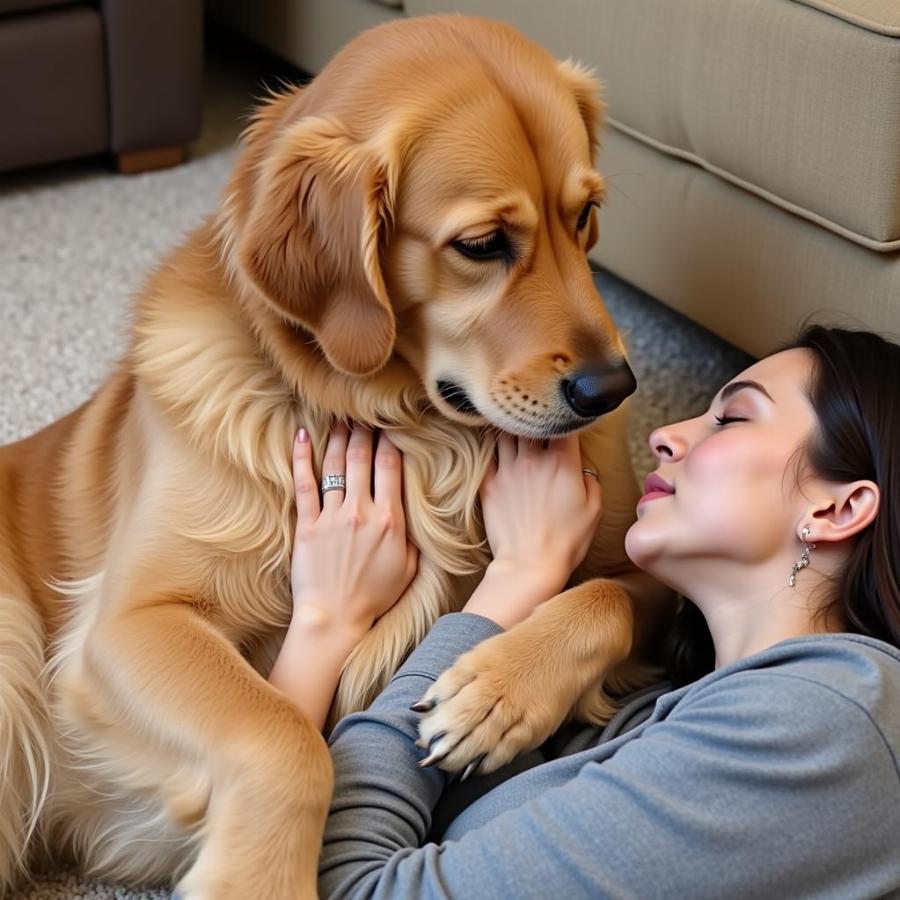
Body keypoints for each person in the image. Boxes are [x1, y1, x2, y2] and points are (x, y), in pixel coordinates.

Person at [269, 325, 900, 898]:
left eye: (732, 418)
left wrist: (514, 577)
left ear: (838, 510)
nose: (665, 433)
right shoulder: (667, 716)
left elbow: (315, 883)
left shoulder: (824, 720)